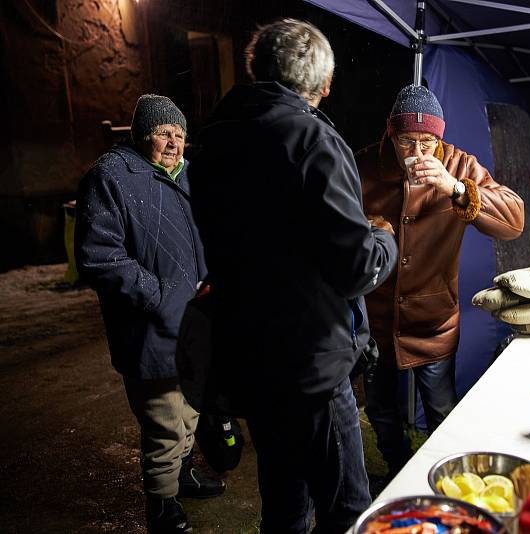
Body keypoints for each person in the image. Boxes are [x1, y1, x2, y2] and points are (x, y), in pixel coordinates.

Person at [189, 19, 398, 533]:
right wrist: (385, 237)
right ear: (324, 86)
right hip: (312, 368)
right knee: (347, 510)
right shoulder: (313, 140)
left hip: (250, 359)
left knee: (283, 506)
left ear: (254, 68)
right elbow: (356, 267)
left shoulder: (213, 140)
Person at [355, 84, 525, 477]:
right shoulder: (363, 165)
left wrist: (456, 188)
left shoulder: (462, 166)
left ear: (440, 137)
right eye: (406, 142)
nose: (416, 154)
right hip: (377, 321)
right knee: (381, 410)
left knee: (442, 410)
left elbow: (514, 220)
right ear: (390, 134)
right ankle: (399, 472)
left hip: (435, 320)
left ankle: (442, 480)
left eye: (427, 143)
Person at [75, 94, 225, 534]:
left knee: (190, 411)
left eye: (179, 135)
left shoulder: (189, 176)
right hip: (150, 329)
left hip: (196, 325)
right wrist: (158, 295)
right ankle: (161, 505)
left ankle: (180, 476)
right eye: (164, 133)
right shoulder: (112, 176)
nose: (174, 142)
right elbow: (99, 257)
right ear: (143, 135)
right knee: (163, 421)